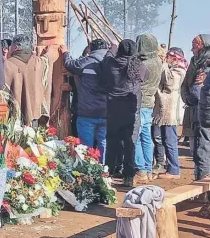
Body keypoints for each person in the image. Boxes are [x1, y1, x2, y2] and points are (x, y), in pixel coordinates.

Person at [99, 39, 148, 187]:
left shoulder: (110, 64)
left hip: (113, 109)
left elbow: (104, 60)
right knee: (130, 144)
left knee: (112, 142)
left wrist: (112, 47)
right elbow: (147, 76)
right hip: (132, 111)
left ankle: (108, 172)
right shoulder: (139, 66)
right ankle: (128, 176)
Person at [63, 39, 109, 163]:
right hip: (106, 112)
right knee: (103, 142)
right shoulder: (112, 62)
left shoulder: (86, 62)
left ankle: (88, 170)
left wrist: (65, 52)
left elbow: (70, 64)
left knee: (86, 145)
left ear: (90, 49)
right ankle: (103, 168)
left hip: (87, 112)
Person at [4, 34, 55, 125]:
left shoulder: (7, 65)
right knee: (34, 137)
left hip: (14, 119)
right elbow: (47, 59)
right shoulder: (39, 62)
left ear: (15, 47)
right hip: (35, 116)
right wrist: (49, 52)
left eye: (11, 46)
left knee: (14, 139)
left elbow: (1, 93)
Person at [152, 47, 187, 180]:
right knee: (165, 140)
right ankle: (170, 168)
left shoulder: (179, 70)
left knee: (170, 141)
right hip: (164, 111)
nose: (167, 58)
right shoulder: (173, 69)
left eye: (170, 56)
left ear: (176, 57)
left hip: (170, 113)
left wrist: (163, 64)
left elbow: (169, 82)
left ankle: (174, 170)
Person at [134, 34, 162, 183]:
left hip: (139, 102)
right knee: (146, 137)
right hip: (149, 102)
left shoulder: (143, 64)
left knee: (136, 137)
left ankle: (141, 170)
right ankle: (148, 169)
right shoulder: (158, 61)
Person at [181, 35, 210, 159]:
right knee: (195, 135)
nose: (192, 49)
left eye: (195, 46)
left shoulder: (207, 62)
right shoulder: (193, 61)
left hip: (206, 105)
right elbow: (186, 83)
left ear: (203, 46)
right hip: (193, 103)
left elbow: (201, 84)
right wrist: (187, 96)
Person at [191, 35, 210, 181]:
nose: (193, 48)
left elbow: (198, 87)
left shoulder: (205, 64)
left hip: (205, 111)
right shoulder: (198, 62)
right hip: (202, 108)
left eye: (195, 45)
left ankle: (203, 180)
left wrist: (191, 98)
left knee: (203, 145)